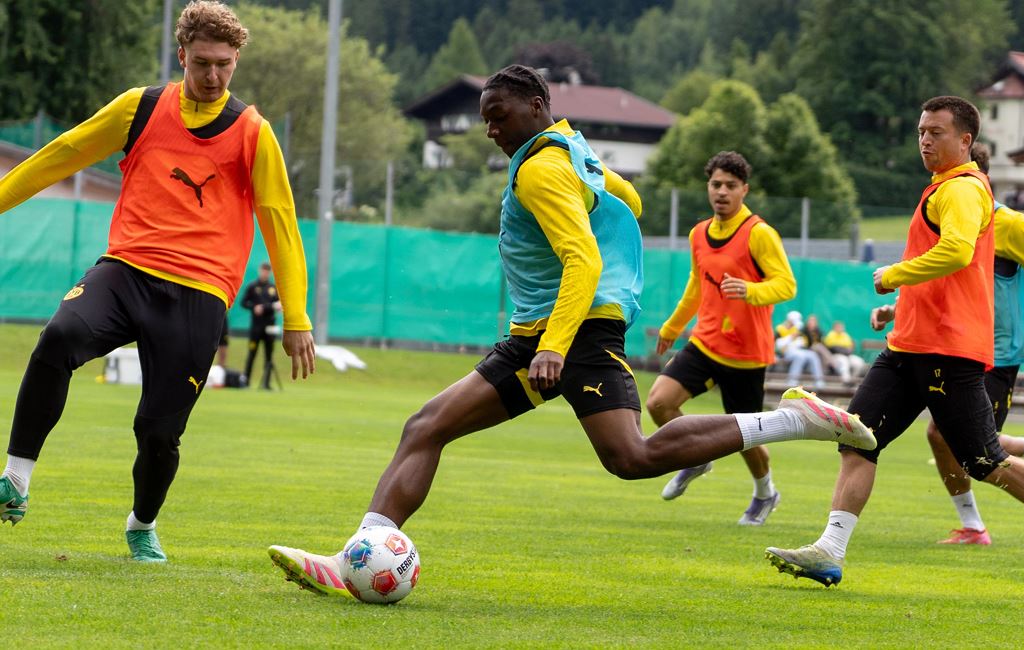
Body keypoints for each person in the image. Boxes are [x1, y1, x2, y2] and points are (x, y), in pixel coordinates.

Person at [267, 64, 876, 599]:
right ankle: (798, 420)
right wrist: (589, 190)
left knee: (447, 429)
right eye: (485, 120)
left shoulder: (541, 170)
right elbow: (631, 201)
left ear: (535, 108)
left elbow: (582, 258)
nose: (490, 129)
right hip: (567, 327)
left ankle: (357, 558)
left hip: (563, 331)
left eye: (497, 116)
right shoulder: (570, 150)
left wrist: (554, 345)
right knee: (608, 453)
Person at [0, 1, 316, 563]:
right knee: (58, 338)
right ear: (181, 56)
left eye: (224, 64)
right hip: (125, 270)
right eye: (202, 63)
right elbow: (60, 155)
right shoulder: (140, 108)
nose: (213, 75)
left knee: (158, 431)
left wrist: (297, 317)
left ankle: (141, 523)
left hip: (199, 294)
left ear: (236, 60)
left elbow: (281, 223)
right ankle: (15, 480)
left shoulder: (253, 133)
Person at [765, 96, 1024, 595]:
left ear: (967, 142)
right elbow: (947, 274)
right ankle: (830, 550)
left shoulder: (961, 190)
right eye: (921, 131)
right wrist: (901, 306)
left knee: (984, 460)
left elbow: (957, 252)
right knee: (858, 438)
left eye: (936, 132)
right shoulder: (942, 189)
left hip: (946, 351)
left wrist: (893, 275)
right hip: (908, 345)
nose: (925, 140)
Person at [923, 142, 1024, 545]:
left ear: (978, 179)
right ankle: (974, 525)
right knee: (942, 435)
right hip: (958, 344)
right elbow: (939, 280)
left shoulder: (1010, 224)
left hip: (999, 352)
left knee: (973, 446)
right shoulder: (944, 218)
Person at [649, 151, 797, 525]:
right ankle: (696, 456)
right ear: (708, 187)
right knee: (659, 403)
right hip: (705, 342)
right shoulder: (699, 233)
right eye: (716, 184)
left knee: (745, 437)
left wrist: (749, 290)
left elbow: (786, 284)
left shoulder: (759, 234)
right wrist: (672, 327)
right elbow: (696, 286)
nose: (722, 192)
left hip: (746, 354)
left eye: (731, 186)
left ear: (744, 190)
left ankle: (766, 494)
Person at [242, 261, 281, 389]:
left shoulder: (273, 288)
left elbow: (278, 305)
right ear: (260, 271)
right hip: (256, 327)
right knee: (252, 353)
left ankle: (266, 383)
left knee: (269, 355)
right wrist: (254, 307)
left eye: (267, 271)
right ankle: (246, 381)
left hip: (270, 327)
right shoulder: (253, 287)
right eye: (263, 270)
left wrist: (267, 307)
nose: (265, 273)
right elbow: (244, 303)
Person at [775, 311, 825, 388]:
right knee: (800, 356)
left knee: (813, 355)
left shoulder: (797, 328)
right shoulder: (780, 329)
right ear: (789, 320)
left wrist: (795, 341)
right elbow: (778, 345)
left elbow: (802, 342)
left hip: (798, 350)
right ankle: (792, 379)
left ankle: (819, 380)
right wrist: (791, 338)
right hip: (785, 353)